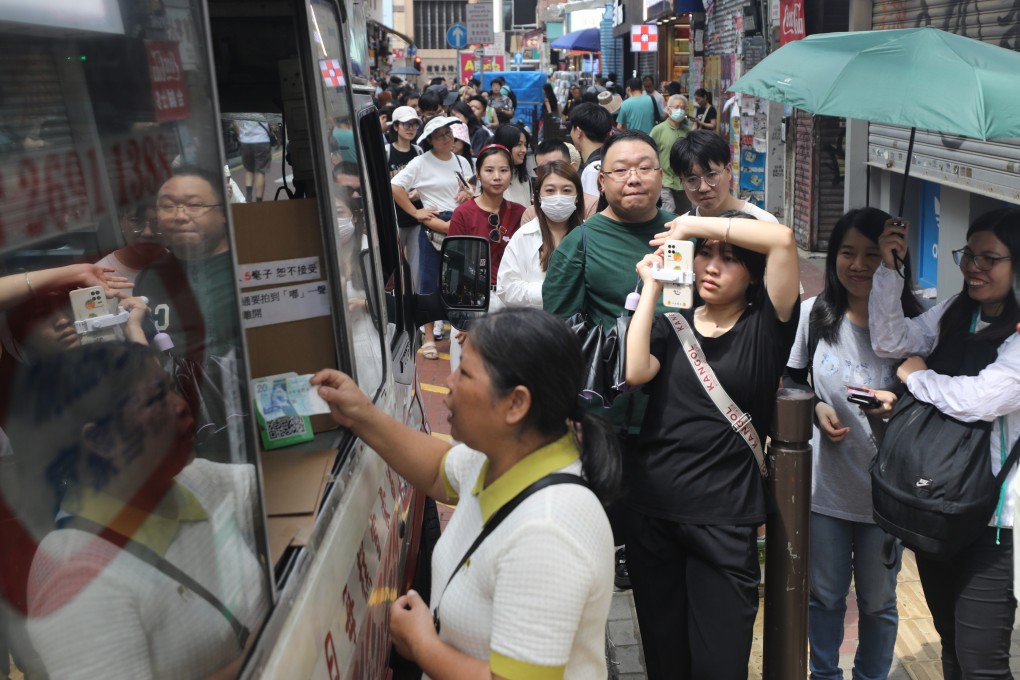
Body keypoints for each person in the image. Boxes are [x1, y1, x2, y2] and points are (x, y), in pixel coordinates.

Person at [310, 308, 619, 678]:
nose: (449, 382)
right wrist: (361, 413)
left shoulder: (548, 530)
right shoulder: (504, 455)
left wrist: (422, 646)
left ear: (516, 404)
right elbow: (439, 471)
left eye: (465, 373)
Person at [7, 342, 269, 679]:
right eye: (155, 398)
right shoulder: (74, 577)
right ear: (101, 440)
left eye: (172, 387)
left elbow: (281, 491)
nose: (181, 406)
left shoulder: (196, 481)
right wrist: (250, 663)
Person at [624, 210, 800, 679]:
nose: (711, 267)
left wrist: (697, 227)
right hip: (653, 512)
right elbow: (634, 371)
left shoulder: (768, 326)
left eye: (729, 259)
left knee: (719, 664)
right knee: (665, 662)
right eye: (703, 256)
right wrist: (652, 288)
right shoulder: (671, 326)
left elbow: (782, 240)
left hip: (724, 517)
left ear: (754, 274)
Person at [870, 208, 1020, 680]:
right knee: (951, 647)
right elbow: (892, 338)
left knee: (982, 663)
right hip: (938, 504)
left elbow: (981, 399)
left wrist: (919, 378)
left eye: (989, 258)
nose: (973, 266)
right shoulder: (959, 309)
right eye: (968, 255)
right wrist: (890, 271)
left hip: (995, 521)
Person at [786, 207, 923, 680]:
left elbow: (935, 400)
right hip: (825, 490)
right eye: (848, 253)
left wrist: (896, 403)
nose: (859, 265)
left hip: (887, 497)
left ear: (894, 257)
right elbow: (791, 378)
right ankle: (824, 674)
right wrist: (813, 408)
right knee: (823, 595)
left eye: (872, 254)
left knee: (879, 601)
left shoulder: (912, 325)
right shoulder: (813, 314)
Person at [543, 130, 674, 589]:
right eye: (620, 170)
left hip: (680, 410)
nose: (633, 178)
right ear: (601, 180)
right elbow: (557, 333)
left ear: (661, 175)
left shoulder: (685, 234)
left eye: (644, 167)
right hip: (610, 417)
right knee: (614, 524)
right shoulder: (582, 242)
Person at [391, 116, 473, 358]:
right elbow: (395, 186)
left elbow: (472, 188)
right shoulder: (420, 163)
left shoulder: (461, 160)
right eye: (440, 136)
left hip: (460, 223)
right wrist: (415, 211)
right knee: (428, 282)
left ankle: (460, 332)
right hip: (432, 225)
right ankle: (428, 338)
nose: (447, 138)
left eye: (448, 133)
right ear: (430, 141)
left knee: (460, 282)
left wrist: (468, 194)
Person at [497, 161, 584, 310]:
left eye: (567, 190)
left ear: (577, 196)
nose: (558, 197)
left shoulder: (589, 235)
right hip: (535, 327)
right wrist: (551, 289)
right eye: (550, 190)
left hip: (580, 329)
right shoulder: (523, 236)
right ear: (538, 196)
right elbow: (506, 290)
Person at [448, 144, 527, 307]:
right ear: (478, 174)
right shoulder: (463, 213)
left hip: (512, 300)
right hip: (472, 299)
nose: (497, 177)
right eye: (489, 170)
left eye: (504, 170)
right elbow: (454, 264)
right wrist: (462, 310)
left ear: (511, 174)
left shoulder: (521, 213)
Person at [672, 130, 778, 222]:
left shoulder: (764, 222)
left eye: (712, 175)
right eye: (692, 179)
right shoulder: (680, 232)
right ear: (681, 181)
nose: (703, 188)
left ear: (728, 171)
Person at [385, 106, 425, 294]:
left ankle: (416, 307)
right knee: (394, 264)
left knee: (417, 266)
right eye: (406, 124)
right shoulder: (386, 152)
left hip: (417, 218)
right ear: (395, 127)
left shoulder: (418, 152)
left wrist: (418, 191)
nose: (410, 128)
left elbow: (426, 180)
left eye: (414, 125)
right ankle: (397, 305)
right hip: (394, 219)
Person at [519, 140, 598, 224]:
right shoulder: (531, 213)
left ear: (572, 168)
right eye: (543, 170)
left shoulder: (591, 205)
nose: (550, 173)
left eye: (556, 166)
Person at [95, 204, 168, 284]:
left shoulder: (182, 265)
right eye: (136, 221)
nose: (148, 233)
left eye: (157, 222)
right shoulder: (98, 276)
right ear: (121, 223)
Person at [649, 94, 694, 215]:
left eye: (683, 107)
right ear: (668, 109)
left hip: (684, 179)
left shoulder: (689, 132)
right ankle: (666, 232)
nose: (679, 110)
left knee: (685, 211)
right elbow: (649, 152)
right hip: (665, 179)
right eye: (676, 107)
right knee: (669, 208)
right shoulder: (659, 130)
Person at [567, 103, 613, 198]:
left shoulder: (592, 171)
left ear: (579, 132)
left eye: (572, 128)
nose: (571, 133)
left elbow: (593, 209)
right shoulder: (609, 160)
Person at [232, 119, 272, 202]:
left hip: (245, 141)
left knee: (249, 170)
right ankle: (258, 200)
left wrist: (240, 134)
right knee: (260, 171)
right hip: (262, 140)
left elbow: (234, 121)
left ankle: (249, 197)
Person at [491, 124, 532, 207]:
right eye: (519, 145)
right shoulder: (490, 178)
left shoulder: (524, 178)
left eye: (525, 144)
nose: (524, 150)